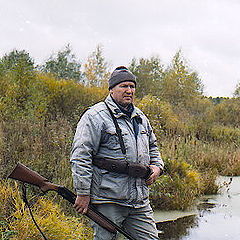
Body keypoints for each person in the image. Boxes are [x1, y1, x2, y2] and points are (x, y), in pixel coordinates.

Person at [70, 66, 164, 240]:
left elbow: (153, 147)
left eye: (132, 86)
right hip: (108, 200)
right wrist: (83, 192)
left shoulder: (141, 117)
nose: (129, 90)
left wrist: (157, 167)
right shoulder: (95, 116)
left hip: (139, 202)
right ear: (111, 89)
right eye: (123, 86)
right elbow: (80, 155)